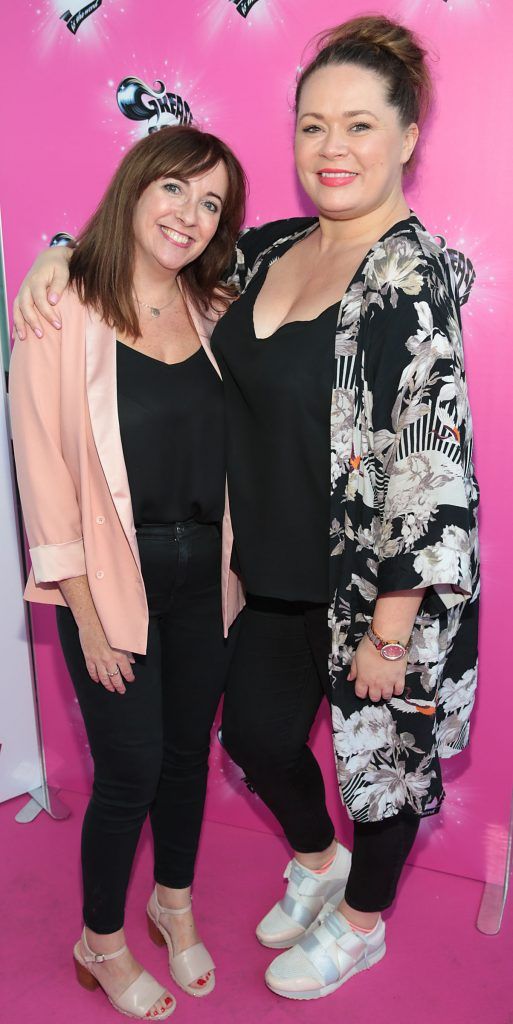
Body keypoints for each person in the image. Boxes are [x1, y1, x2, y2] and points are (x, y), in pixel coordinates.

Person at [13, 15, 479, 1003]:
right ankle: (317, 861)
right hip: (262, 572)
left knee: (382, 758)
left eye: (360, 125)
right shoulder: (269, 252)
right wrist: (57, 260)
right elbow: (155, 255)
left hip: (374, 588)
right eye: (313, 126)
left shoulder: (411, 277)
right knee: (257, 737)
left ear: (407, 138)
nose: (333, 148)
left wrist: (392, 626)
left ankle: (361, 923)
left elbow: (429, 467)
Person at [9, 124, 246, 1019]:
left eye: (211, 201)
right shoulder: (59, 305)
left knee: (188, 758)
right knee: (130, 769)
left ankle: (171, 903)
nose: (190, 214)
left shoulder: (216, 308)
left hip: (207, 581)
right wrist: (86, 615)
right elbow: (44, 471)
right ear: (138, 185)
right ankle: (99, 943)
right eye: (176, 188)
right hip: (110, 583)